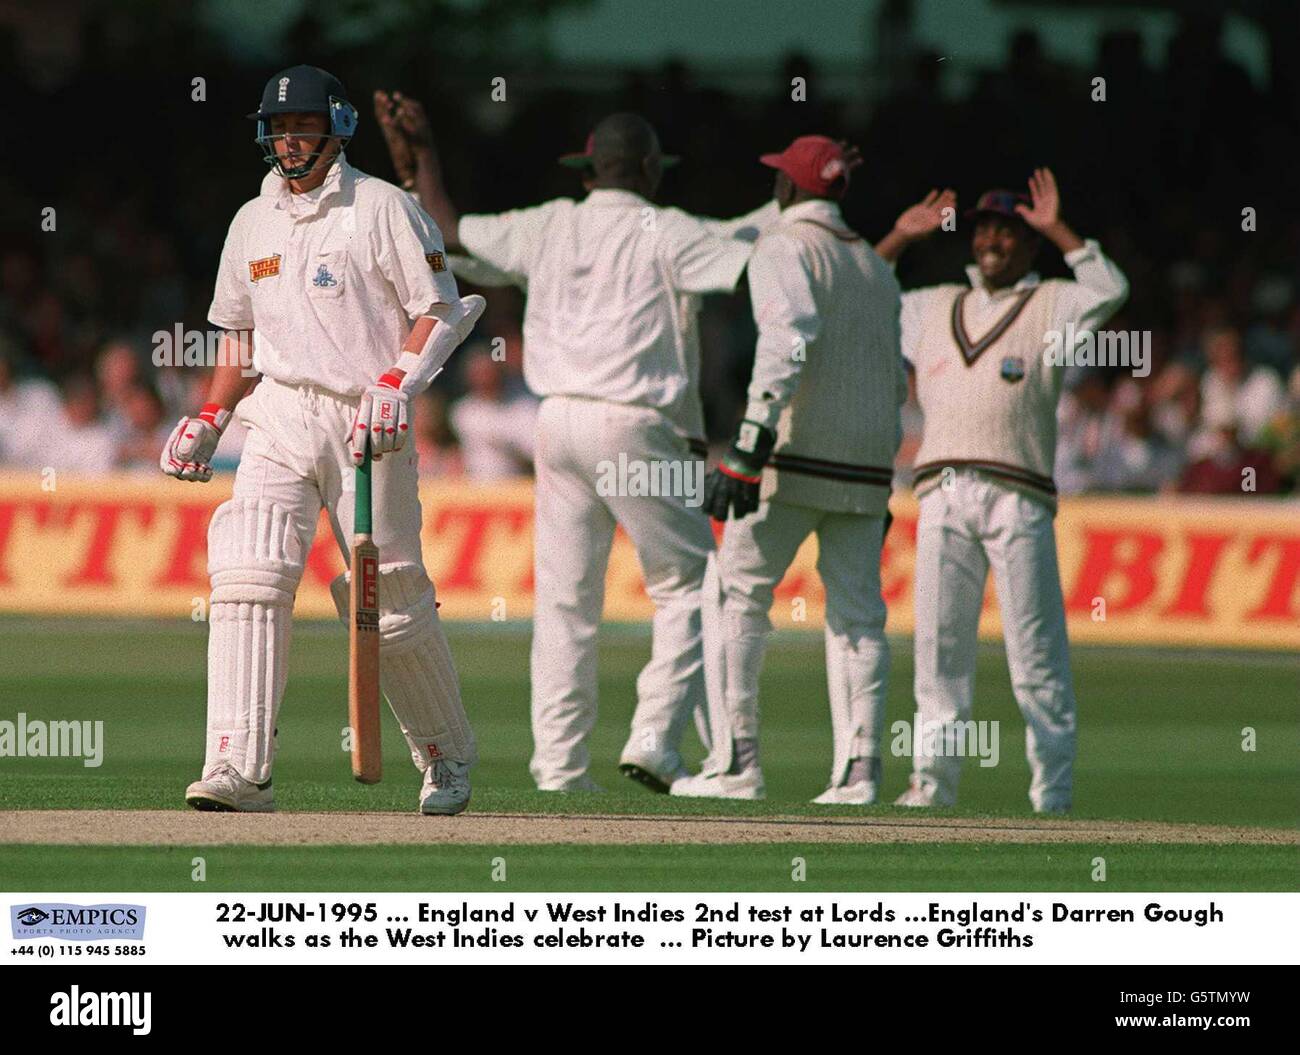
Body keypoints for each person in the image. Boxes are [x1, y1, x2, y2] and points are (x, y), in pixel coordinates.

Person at [389, 102, 777, 792]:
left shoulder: (550, 223)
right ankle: (657, 736)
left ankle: (560, 769)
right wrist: (795, 204)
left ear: (590, 169)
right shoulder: (671, 229)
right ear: (652, 169)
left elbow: (444, 228)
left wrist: (426, 162)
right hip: (633, 422)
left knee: (566, 604)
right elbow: (749, 250)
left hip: (557, 420)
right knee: (692, 586)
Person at [159, 65, 485, 815]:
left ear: (337, 126)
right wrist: (211, 418)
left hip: (368, 421)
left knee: (392, 601)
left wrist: (395, 383)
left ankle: (445, 754)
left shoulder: (381, 207)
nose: (289, 141)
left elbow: (438, 309)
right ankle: (240, 766)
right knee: (248, 564)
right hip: (277, 415)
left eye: (302, 126)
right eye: (277, 129)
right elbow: (240, 336)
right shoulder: (253, 221)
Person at [877, 170, 1128, 812]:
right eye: (986, 228)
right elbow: (860, 293)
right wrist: (900, 237)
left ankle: (1053, 793)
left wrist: (1059, 230)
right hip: (939, 492)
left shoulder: (1052, 304)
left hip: (1019, 495)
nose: (994, 240)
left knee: (1035, 653)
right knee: (938, 650)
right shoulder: (931, 304)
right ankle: (932, 784)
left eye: (1011, 233)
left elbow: (1111, 288)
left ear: (1029, 246)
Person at [671, 136, 905, 804]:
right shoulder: (875, 266)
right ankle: (860, 773)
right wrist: (880, 462)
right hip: (864, 465)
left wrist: (747, 450)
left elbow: (789, 334)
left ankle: (737, 763)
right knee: (858, 614)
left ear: (790, 189)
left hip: (791, 456)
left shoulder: (781, 245)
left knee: (737, 594)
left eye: (778, 179)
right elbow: (894, 376)